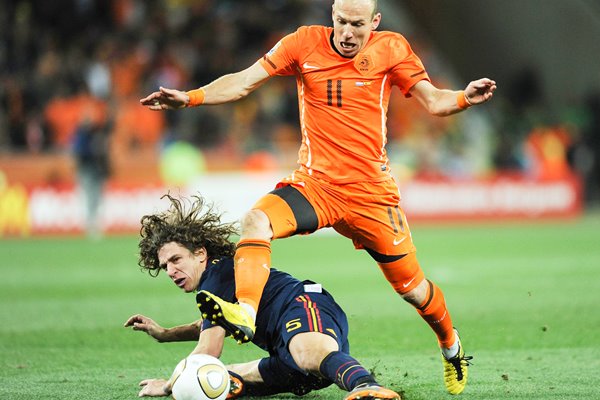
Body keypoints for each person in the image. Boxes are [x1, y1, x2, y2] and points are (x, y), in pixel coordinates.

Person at [140, 0, 495, 395]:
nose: (347, 32)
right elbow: (243, 81)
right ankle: (245, 310)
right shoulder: (303, 43)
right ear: (332, 17)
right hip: (316, 187)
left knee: (413, 289)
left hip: (371, 196)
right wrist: (190, 97)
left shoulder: (392, 48)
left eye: (357, 25)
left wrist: (463, 96)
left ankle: (451, 347)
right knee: (257, 221)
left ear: (374, 22)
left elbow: (435, 101)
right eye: (341, 22)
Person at [124, 194, 401, 400]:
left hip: (303, 306)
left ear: (200, 254)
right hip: (284, 351)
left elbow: (208, 351)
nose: (172, 271)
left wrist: (169, 384)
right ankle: (330, 372)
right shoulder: (216, 282)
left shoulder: (217, 276)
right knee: (215, 382)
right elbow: (212, 324)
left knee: (306, 354)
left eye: (176, 259)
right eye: (165, 267)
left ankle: (367, 385)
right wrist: (164, 334)